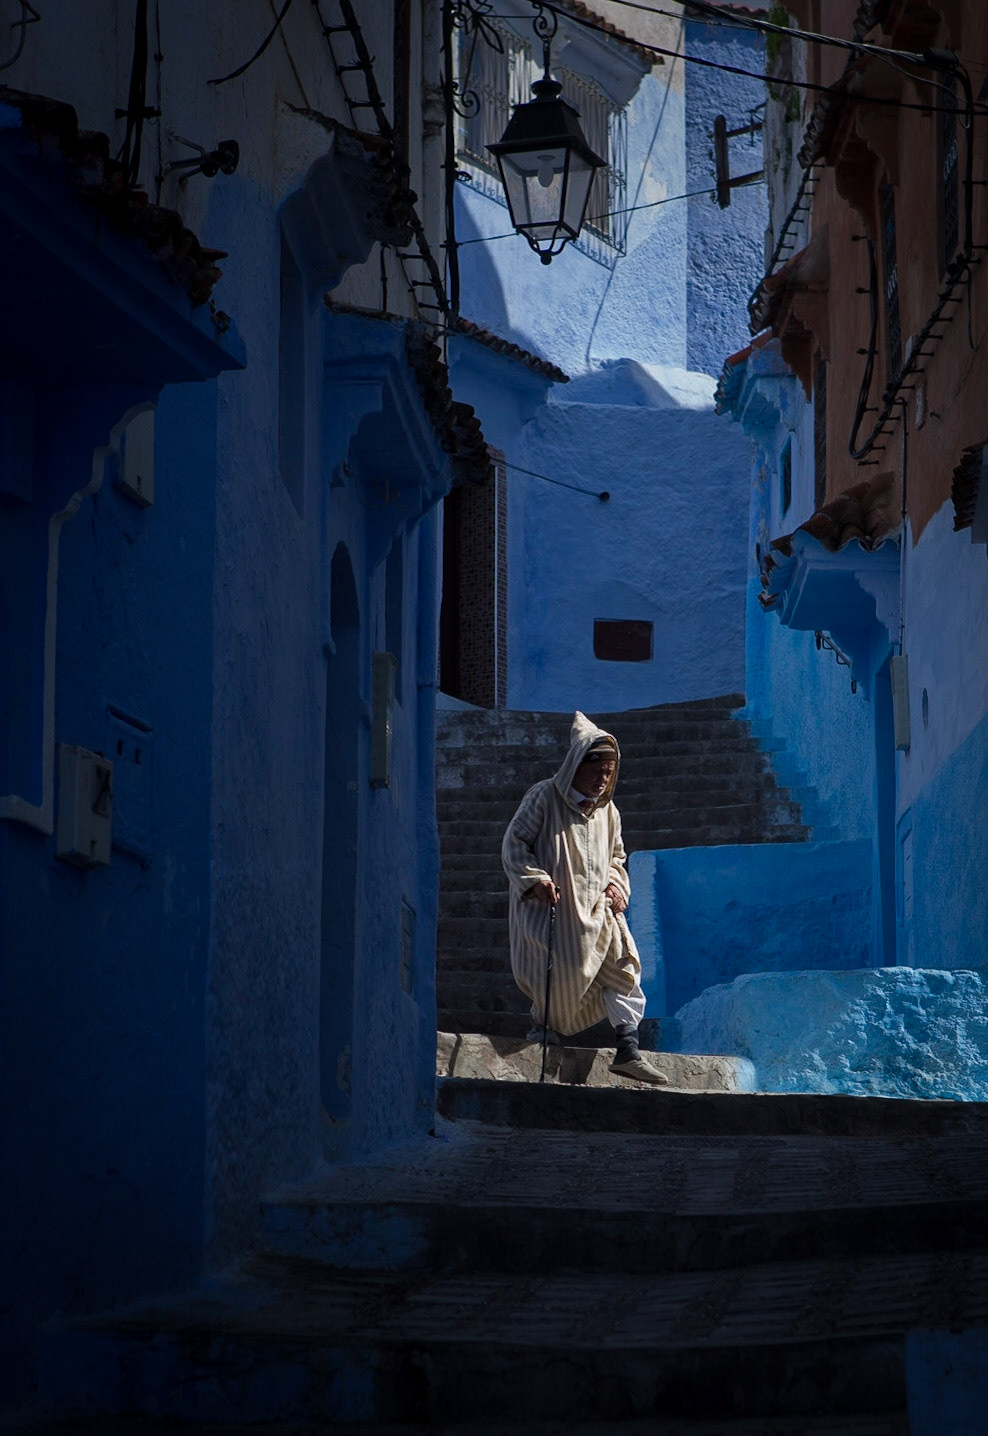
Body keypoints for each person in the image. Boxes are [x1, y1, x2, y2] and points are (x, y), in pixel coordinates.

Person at [501, 711, 667, 1085]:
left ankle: (628, 1049)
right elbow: (515, 843)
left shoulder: (609, 811)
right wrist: (535, 879)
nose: (602, 779)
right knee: (560, 977)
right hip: (555, 910)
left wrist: (616, 885)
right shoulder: (544, 797)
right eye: (597, 771)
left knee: (624, 968)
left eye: (609, 772)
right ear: (576, 765)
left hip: (600, 911)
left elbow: (617, 857)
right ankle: (543, 1029)